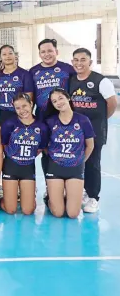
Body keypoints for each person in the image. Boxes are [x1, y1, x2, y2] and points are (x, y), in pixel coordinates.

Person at [69, 47, 117, 213]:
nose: (79, 63)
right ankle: (80, 192)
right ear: (72, 62)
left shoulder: (101, 81)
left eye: (83, 60)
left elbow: (112, 104)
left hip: (95, 131)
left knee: (92, 164)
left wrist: (100, 120)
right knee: (75, 162)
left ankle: (93, 197)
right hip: (75, 132)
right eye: (76, 60)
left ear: (90, 62)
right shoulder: (71, 80)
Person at [44, 88, 95, 219]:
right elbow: (44, 146)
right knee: (58, 213)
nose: (58, 102)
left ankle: (68, 197)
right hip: (55, 168)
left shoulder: (83, 120)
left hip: (75, 169)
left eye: (61, 98)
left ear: (68, 98)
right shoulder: (50, 122)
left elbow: (90, 145)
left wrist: (81, 161)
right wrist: (55, 156)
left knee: (73, 214)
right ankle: (50, 198)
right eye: (54, 101)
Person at [30, 39, 75, 186]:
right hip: (43, 117)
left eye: (50, 50)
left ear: (56, 51)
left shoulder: (67, 69)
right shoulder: (34, 71)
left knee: (66, 150)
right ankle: (51, 187)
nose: (47, 54)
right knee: (46, 151)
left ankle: (69, 186)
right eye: (43, 51)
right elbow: (30, 96)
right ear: (39, 54)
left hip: (64, 117)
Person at [0, 93, 49, 215]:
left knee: (28, 210)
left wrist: (26, 157)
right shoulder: (9, 124)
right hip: (11, 167)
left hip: (28, 168)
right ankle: (2, 195)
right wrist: (15, 154)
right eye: (18, 108)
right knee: (11, 210)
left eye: (24, 106)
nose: (22, 110)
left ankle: (28, 192)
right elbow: (4, 145)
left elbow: (40, 149)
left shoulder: (41, 127)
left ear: (31, 104)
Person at [0, 45, 34, 126]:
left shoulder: (24, 74)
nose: (7, 56)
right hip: (3, 113)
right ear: (1, 57)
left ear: (14, 55)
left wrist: (26, 113)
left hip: (20, 113)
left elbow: (29, 96)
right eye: (4, 54)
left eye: (10, 53)